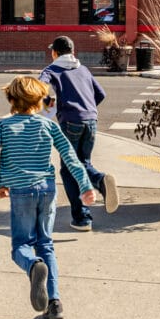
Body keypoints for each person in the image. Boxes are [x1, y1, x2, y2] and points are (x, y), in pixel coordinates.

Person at [0, 76, 98, 319]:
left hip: (20, 191)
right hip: (46, 190)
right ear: (40, 101)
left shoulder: (3, 127)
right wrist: (85, 186)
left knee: (21, 246)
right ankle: (54, 302)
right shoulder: (49, 126)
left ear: (11, 100)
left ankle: (33, 266)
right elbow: (69, 155)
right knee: (46, 243)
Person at [39, 35, 119, 232]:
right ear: (73, 52)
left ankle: (84, 214)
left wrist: (49, 101)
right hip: (90, 121)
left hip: (70, 123)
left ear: (54, 53)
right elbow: (101, 94)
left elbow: (38, 88)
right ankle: (93, 194)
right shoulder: (83, 69)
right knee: (83, 163)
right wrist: (87, 109)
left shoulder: (52, 69)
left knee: (68, 169)